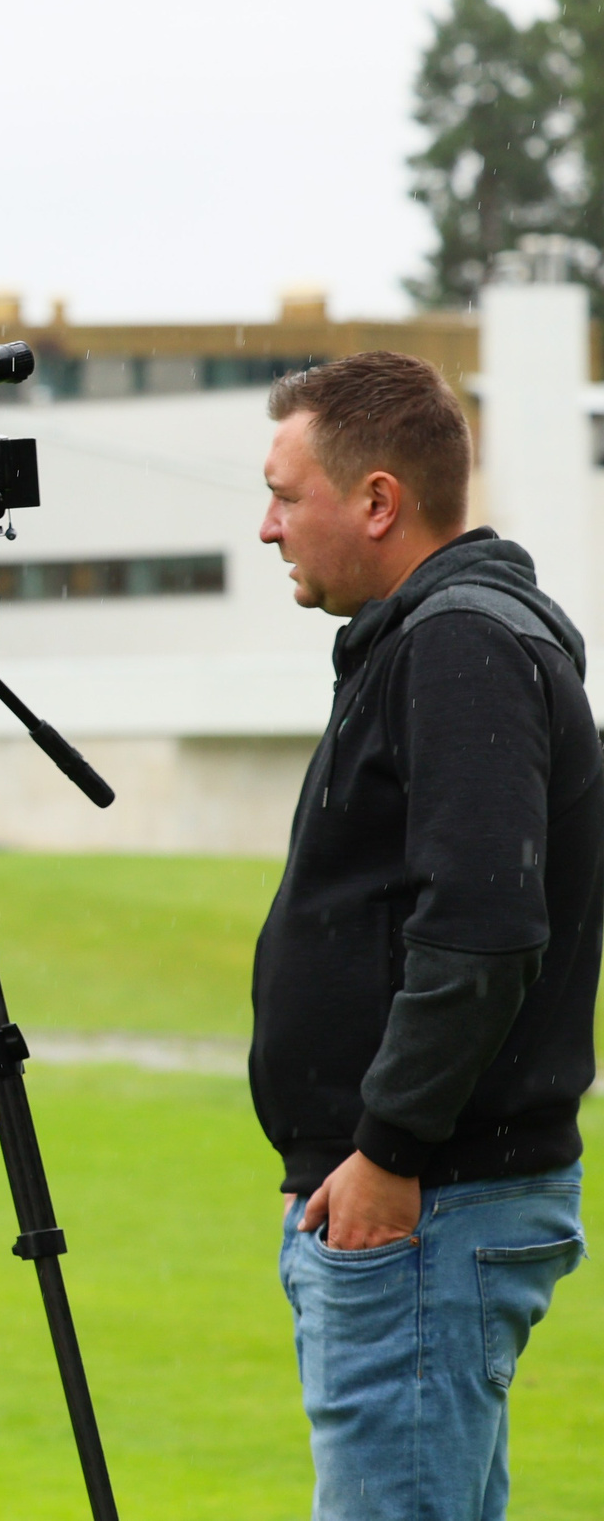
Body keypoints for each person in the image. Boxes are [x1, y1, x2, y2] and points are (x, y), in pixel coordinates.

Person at [254, 351, 595, 1521]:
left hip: (425, 1206)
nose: (266, 526)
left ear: (377, 500)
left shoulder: (459, 645)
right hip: (419, 1202)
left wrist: (387, 1149)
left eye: (284, 495)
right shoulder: (433, 639)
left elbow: (484, 925)